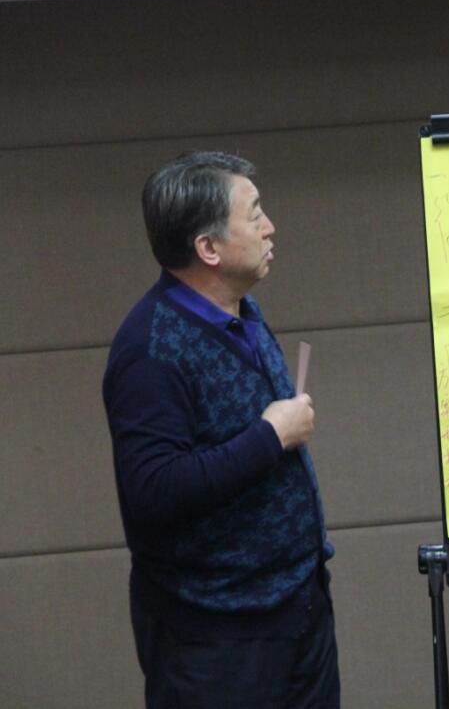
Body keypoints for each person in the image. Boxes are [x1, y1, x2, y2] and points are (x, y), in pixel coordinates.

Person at [102, 151, 339, 708]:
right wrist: (269, 437)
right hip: (216, 638)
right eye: (254, 215)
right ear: (208, 248)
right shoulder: (150, 350)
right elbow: (154, 491)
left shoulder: (243, 311)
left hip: (297, 607)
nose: (270, 227)